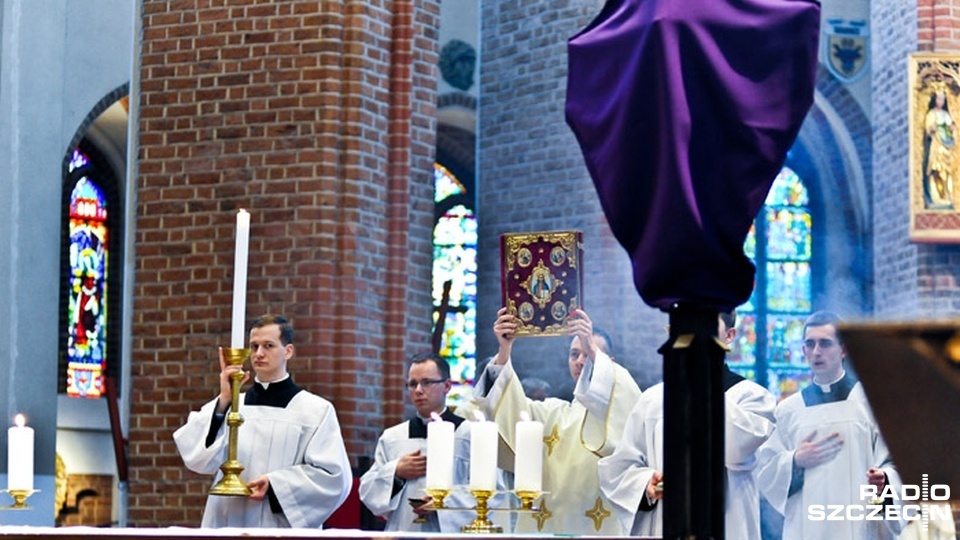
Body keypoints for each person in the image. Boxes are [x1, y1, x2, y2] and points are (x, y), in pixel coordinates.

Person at [597, 310, 776, 539]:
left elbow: (734, 451)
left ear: (729, 335)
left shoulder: (753, 398)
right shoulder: (652, 401)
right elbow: (619, 468)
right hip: (666, 524)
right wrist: (645, 483)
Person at [465, 307, 641, 535]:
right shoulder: (552, 413)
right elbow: (503, 408)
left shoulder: (620, 405)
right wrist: (504, 350)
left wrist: (594, 349)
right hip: (545, 527)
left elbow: (628, 403)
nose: (580, 361)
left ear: (609, 363)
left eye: (587, 353)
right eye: (574, 354)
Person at [173, 314, 352, 528]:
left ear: (288, 351)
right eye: (254, 346)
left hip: (277, 523)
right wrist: (224, 401)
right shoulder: (230, 404)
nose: (258, 353)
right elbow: (197, 457)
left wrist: (276, 485)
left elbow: (334, 478)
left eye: (268, 345)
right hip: (227, 519)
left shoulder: (315, 411)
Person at [755, 310, 903, 539]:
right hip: (807, 527)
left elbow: (898, 463)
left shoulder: (871, 402)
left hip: (860, 523)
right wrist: (794, 461)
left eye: (825, 344)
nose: (816, 352)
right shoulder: (788, 410)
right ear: (803, 350)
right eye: (810, 344)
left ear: (843, 349)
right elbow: (766, 472)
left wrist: (884, 482)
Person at [358, 353, 465, 532]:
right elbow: (368, 492)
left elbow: (491, 492)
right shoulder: (393, 437)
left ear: (447, 386)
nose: (418, 390)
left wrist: (444, 503)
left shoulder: (468, 434)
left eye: (427, 382)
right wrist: (396, 472)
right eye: (412, 384)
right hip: (404, 529)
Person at [923, 88, 956, 209]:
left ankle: (947, 196)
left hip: (946, 146)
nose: (940, 101)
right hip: (937, 145)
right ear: (934, 99)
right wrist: (931, 129)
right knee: (936, 170)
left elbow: (951, 129)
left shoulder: (946, 115)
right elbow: (929, 128)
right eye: (938, 98)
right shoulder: (931, 114)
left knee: (946, 172)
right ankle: (935, 196)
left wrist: (952, 130)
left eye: (942, 99)